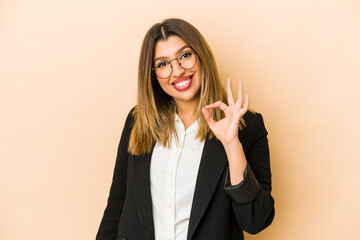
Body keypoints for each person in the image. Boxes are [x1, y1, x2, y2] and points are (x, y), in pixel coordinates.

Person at [96, 18, 275, 240]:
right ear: (152, 74)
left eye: (185, 55)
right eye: (163, 64)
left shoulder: (247, 126)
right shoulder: (138, 121)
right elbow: (116, 208)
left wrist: (231, 145)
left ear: (201, 56)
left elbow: (256, 221)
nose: (177, 70)